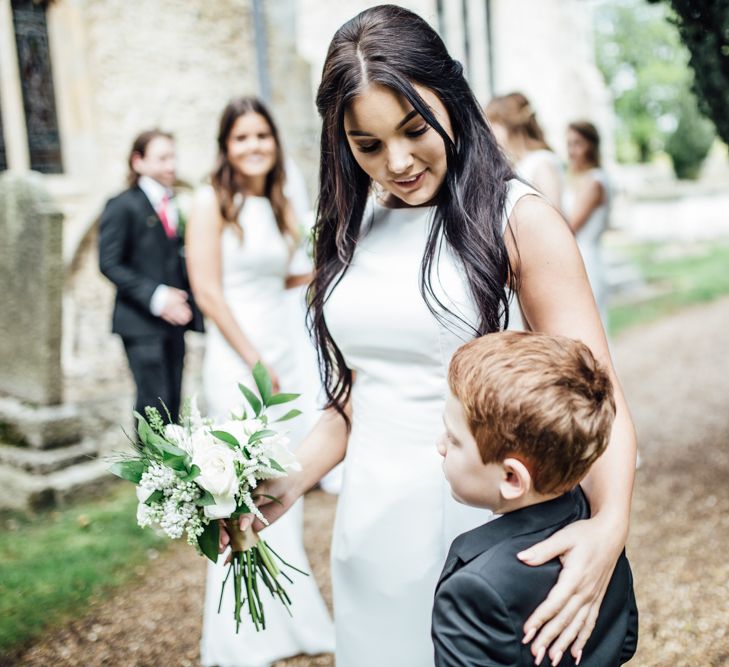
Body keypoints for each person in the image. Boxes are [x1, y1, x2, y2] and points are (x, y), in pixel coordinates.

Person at [232, 6, 637, 667]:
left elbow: (600, 393)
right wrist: (281, 485)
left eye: (413, 128)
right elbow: (357, 393)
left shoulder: (519, 220)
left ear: (449, 97)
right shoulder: (348, 225)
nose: (396, 161)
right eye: (366, 144)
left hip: (485, 527)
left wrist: (608, 525)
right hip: (370, 527)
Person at [185, 96, 334, 667]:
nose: (254, 147)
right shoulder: (209, 201)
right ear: (226, 145)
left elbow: (294, 274)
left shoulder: (277, 202)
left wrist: (338, 260)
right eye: (242, 138)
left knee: (281, 481)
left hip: (284, 353)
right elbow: (208, 291)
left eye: (262, 137)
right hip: (237, 357)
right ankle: (241, 634)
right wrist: (251, 357)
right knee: (235, 488)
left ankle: (290, 620)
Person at [432, 331, 638, 666]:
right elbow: (624, 640)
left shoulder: (475, 588)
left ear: (512, 478)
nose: (440, 445)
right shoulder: (592, 526)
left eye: (454, 441)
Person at [99, 129, 203, 423]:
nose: (171, 166)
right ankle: (151, 469)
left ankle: (174, 469)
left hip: (176, 321)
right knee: (152, 407)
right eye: (162, 158)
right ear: (138, 161)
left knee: (173, 402)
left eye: (173, 157)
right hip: (140, 323)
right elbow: (108, 263)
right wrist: (157, 296)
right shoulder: (122, 205)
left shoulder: (177, 203)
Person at [564, 121, 611, 324]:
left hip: (587, 260)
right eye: (568, 144)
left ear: (591, 145)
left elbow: (570, 226)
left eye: (577, 144)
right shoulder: (575, 178)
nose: (571, 151)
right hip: (575, 257)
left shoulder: (595, 182)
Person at [485, 92, 564, 208]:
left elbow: (555, 212)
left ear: (508, 125)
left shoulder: (541, 163)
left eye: (493, 124)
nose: (489, 132)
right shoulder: (518, 164)